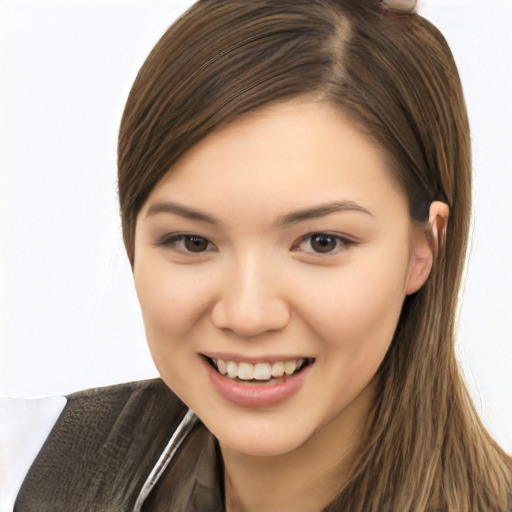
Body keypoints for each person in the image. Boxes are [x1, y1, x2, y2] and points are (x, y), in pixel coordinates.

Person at [6, 0, 512, 510]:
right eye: (193, 242)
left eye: (322, 242)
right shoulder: (24, 473)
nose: (247, 315)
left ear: (424, 248)